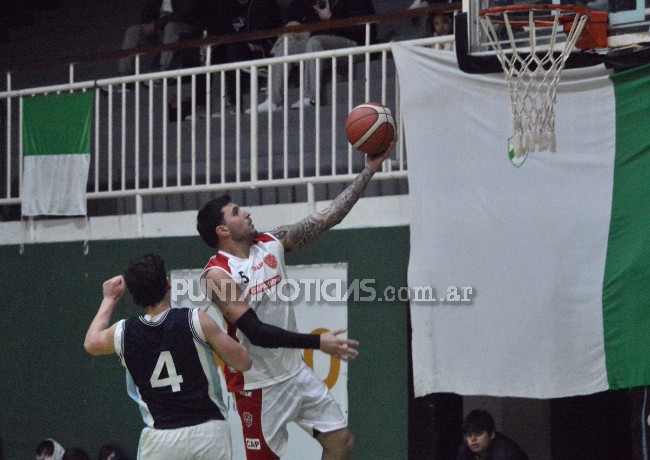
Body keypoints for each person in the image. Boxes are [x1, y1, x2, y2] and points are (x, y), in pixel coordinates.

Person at [196, 142, 393, 459]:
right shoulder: (217, 275)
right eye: (236, 212)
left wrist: (368, 171)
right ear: (222, 230)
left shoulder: (270, 243)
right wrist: (318, 343)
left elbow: (328, 217)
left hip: (295, 372)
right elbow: (257, 332)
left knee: (340, 443)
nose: (246, 211)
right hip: (259, 385)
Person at [84, 253, 251, 460]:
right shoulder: (196, 320)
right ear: (167, 283)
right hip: (208, 433)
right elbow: (243, 362)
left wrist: (109, 298)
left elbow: (91, 343)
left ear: (135, 299)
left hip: (161, 439)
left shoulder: (122, 332)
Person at [250, 0, 376, 113]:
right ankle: (273, 101)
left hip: (355, 45)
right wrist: (319, 17)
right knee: (287, 46)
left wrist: (330, 17)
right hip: (325, 46)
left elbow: (360, 32)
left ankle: (310, 97)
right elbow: (314, 29)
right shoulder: (322, 2)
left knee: (315, 42)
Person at [203, 0, 283, 117]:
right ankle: (216, 104)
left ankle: (235, 103)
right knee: (214, 55)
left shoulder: (264, 3)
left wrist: (249, 42)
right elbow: (222, 30)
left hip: (261, 47)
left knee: (233, 50)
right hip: (237, 47)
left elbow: (264, 30)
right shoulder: (229, 6)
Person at [117, 0, 207, 80]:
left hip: (185, 26)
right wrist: (145, 29)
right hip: (160, 27)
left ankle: (164, 70)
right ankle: (124, 74)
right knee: (133, 31)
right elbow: (147, 12)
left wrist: (155, 25)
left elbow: (184, 14)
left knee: (171, 27)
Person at [456, 409, 529, 460]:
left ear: (492, 434)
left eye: (478, 434)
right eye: (469, 435)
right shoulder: (464, 451)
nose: (473, 439)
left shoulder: (507, 454)